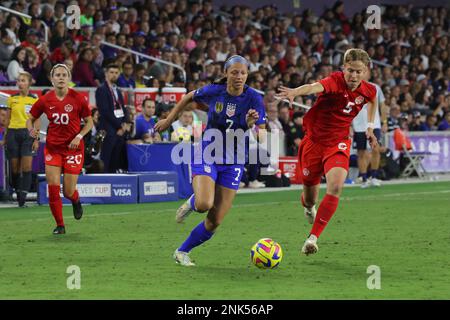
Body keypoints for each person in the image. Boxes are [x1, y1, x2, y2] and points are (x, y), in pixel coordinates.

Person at [154, 55, 266, 266]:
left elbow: (262, 134)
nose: (239, 76)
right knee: (204, 203)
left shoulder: (254, 99)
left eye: (243, 73)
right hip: (208, 152)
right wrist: (169, 120)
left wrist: (251, 124)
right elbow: (188, 97)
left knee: (215, 221)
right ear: (226, 73)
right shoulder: (215, 91)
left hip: (234, 161)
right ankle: (192, 202)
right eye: (234, 72)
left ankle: (181, 252)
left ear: (247, 75)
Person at [276, 48, 377, 255]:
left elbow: (373, 101)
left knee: (336, 186)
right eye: (350, 70)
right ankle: (308, 207)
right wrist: (296, 91)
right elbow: (314, 87)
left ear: (365, 71)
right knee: (310, 197)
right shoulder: (334, 81)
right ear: (343, 68)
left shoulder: (369, 90)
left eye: (359, 71)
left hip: (338, 143)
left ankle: (312, 239)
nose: (354, 76)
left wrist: (370, 126)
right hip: (313, 143)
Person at [27, 64, 93, 234]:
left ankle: (75, 200)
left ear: (69, 78)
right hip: (53, 148)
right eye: (58, 75)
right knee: (54, 187)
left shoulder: (78, 98)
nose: (61, 77)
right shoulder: (45, 100)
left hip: (73, 149)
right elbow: (31, 118)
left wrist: (79, 136)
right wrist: (31, 129)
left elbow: (89, 122)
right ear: (52, 78)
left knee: (69, 191)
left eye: (64, 74)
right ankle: (60, 225)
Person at [3, 72, 38, 207]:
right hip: (13, 133)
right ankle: (18, 192)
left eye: (23, 80)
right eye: (18, 81)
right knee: (15, 167)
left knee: (27, 166)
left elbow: (37, 121)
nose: (20, 83)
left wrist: (36, 139)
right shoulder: (12, 99)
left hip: (27, 134)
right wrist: (5, 137)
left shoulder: (34, 100)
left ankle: (23, 196)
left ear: (29, 83)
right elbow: (7, 119)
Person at [352, 69, 387, 188]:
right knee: (361, 152)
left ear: (369, 74)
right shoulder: (352, 88)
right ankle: (364, 178)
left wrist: (384, 121)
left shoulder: (376, 87)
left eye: (364, 72)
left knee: (376, 149)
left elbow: (382, 105)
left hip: (374, 124)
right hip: (358, 125)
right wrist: (349, 126)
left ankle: (375, 176)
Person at [96, 64, 131, 173]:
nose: (114, 75)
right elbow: (105, 111)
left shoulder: (118, 90)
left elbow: (123, 108)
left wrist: (125, 123)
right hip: (108, 130)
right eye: (111, 72)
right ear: (106, 74)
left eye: (116, 73)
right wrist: (119, 126)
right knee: (106, 158)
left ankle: (114, 181)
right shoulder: (101, 90)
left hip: (120, 130)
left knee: (116, 160)